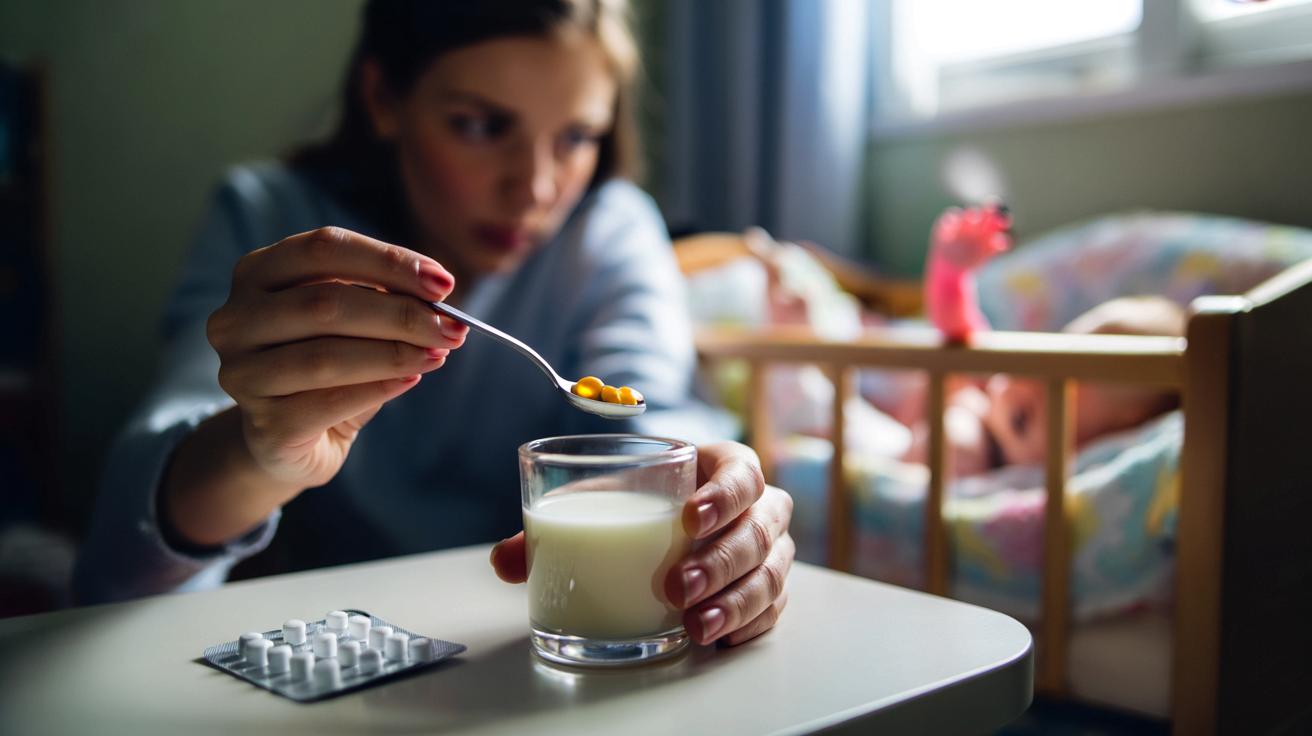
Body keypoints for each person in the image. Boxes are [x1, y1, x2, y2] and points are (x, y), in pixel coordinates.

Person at [75, 0, 794, 649]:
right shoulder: (270, 223)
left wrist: (717, 506)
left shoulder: (608, 231)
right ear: (385, 98)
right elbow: (117, 571)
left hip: (512, 649)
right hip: (340, 648)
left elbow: (648, 416)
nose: (536, 188)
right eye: (481, 126)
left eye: (576, 138)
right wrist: (256, 452)